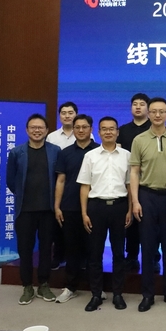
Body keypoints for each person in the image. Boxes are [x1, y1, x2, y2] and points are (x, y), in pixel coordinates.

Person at [130, 97, 166, 312]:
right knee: (147, 247)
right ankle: (148, 294)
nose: (157, 115)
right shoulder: (139, 140)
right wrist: (135, 201)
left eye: (161, 111)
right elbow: (134, 172)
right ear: (148, 114)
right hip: (147, 196)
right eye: (153, 111)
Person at [78, 116, 132, 312]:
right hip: (96, 207)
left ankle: (118, 294)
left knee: (119, 252)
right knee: (95, 253)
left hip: (119, 207)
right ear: (98, 132)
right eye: (104, 129)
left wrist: (130, 209)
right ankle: (96, 294)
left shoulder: (127, 155)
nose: (108, 132)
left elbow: (130, 185)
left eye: (112, 129)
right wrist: (84, 213)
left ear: (117, 132)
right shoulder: (90, 156)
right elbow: (85, 186)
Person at [7, 114, 61, 305]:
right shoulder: (17, 152)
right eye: (33, 127)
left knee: (46, 249)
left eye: (40, 127)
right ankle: (27, 286)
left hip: (48, 210)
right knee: (25, 249)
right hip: (25, 210)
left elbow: (60, 179)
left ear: (47, 131)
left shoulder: (55, 151)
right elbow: (11, 180)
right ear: (27, 130)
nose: (37, 130)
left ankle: (44, 284)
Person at [53, 114, 99, 303]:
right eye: (77, 127)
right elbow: (61, 180)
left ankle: (96, 289)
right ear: (73, 129)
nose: (80, 130)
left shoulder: (99, 151)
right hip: (70, 206)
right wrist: (57, 205)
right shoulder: (65, 153)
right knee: (72, 249)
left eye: (84, 127)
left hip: (95, 207)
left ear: (91, 129)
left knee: (94, 250)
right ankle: (70, 287)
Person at [47, 101, 85, 270]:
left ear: (76, 114)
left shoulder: (86, 134)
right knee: (58, 223)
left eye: (70, 113)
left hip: (78, 184)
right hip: (58, 182)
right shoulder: (52, 137)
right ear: (59, 115)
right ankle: (58, 256)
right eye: (63, 113)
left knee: (77, 225)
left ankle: (79, 259)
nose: (67, 116)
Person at [117, 93, 152, 273]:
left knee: (150, 223)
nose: (138, 107)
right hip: (127, 182)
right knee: (130, 222)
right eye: (135, 104)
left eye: (142, 104)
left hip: (149, 182)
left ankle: (153, 258)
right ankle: (131, 257)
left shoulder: (154, 128)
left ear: (148, 108)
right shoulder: (123, 130)